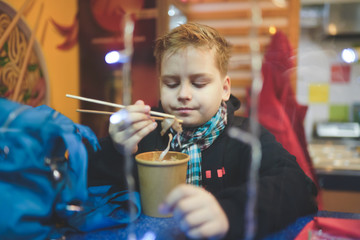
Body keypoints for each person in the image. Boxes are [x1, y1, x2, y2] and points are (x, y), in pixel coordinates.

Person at [87, 22, 318, 239]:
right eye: (171, 83)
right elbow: (84, 189)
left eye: (199, 83)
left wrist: (229, 212)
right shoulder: (145, 135)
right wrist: (115, 150)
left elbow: (298, 187)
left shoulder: (246, 136)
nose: (183, 94)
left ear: (225, 88)